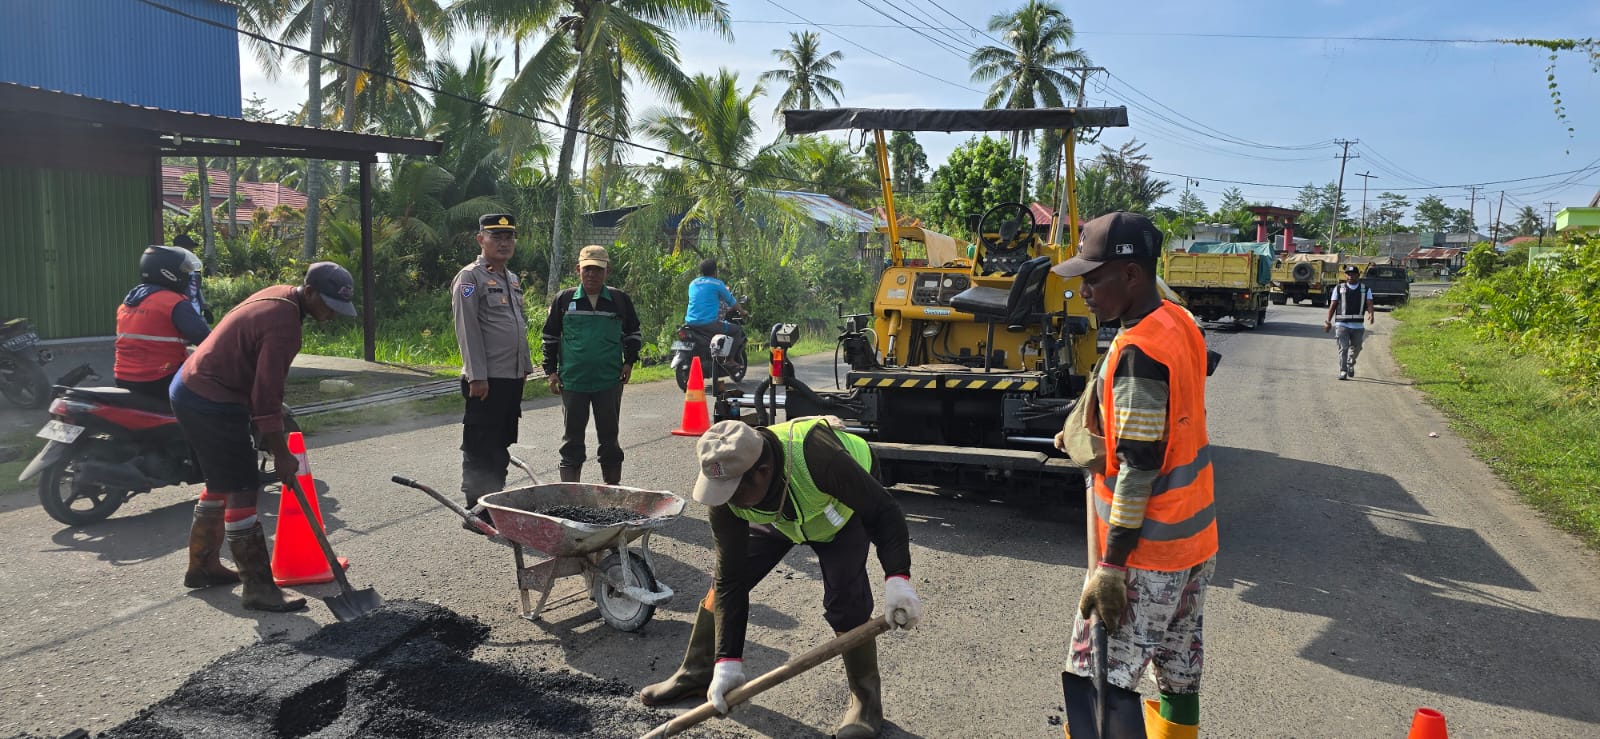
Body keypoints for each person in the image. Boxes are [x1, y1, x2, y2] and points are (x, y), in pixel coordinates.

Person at [638, 418, 923, 739]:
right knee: (722, 585)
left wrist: (897, 578)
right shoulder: (726, 486)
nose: (726, 500)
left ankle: (866, 702)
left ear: (762, 471)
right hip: (780, 516)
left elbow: (884, 512)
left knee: (847, 602)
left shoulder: (818, 457)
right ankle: (700, 670)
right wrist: (727, 662)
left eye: (734, 492)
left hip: (838, 511)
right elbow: (730, 578)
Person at [1050, 212, 1218, 737]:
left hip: (1144, 553)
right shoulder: (1179, 324)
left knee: (1097, 679)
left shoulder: (1139, 353)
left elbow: (1138, 466)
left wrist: (1112, 567)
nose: (1083, 292)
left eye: (1094, 278)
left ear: (1132, 275)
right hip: (1193, 546)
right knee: (1179, 672)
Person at [169, 262, 356, 612]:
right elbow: (267, 395)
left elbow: (262, 390)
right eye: (328, 304)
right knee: (242, 487)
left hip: (189, 388)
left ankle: (202, 566)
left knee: (221, 481)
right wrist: (282, 453)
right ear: (310, 291)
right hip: (211, 397)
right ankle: (258, 588)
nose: (331, 313)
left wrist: (271, 434)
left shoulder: (281, 297)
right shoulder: (285, 325)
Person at [451, 214, 534, 513]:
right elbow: (467, 329)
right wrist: (476, 376)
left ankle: (494, 500)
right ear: (480, 239)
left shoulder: (510, 279)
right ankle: (476, 509)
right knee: (479, 444)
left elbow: (517, 325)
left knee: (501, 443)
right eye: (496, 236)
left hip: (510, 378)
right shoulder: (470, 278)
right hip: (485, 380)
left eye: (509, 237)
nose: (504, 242)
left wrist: (524, 367)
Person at [539, 245, 641, 484]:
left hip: (609, 381)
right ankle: (571, 495)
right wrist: (551, 372)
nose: (592, 274)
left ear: (607, 272)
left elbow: (633, 333)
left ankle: (612, 490)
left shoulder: (619, 300)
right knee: (572, 439)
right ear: (578, 269)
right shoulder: (564, 300)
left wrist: (630, 362)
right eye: (587, 269)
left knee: (609, 438)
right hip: (573, 382)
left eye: (598, 269)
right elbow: (550, 337)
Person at [114, 246, 211, 399]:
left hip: (123, 377)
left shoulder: (129, 301)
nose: (188, 275)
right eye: (185, 270)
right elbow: (206, 339)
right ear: (169, 273)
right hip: (158, 379)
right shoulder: (173, 302)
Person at [1324, 265, 1375, 380]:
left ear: (1358, 275)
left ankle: (1350, 362)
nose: (1350, 276)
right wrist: (1328, 321)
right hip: (1342, 324)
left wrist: (1371, 314)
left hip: (1358, 326)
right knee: (1344, 347)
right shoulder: (1338, 288)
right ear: (1345, 275)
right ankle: (1343, 371)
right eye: (1348, 274)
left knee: (1357, 347)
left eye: (1353, 274)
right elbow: (1333, 305)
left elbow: (1369, 303)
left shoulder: (1365, 289)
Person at [684, 258, 748, 346]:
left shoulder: (693, 284)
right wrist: (743, 312)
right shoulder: (717, 284)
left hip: (690, 324)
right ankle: (730, 359)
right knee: (737, 330)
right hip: (709, 324)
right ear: (715, 271)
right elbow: (731, 301)